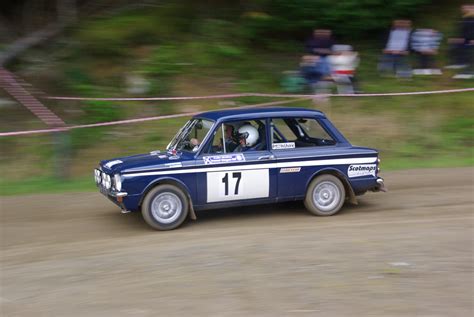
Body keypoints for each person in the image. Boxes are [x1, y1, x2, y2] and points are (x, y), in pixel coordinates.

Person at [447, 5, 474, 79]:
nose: (463, 9)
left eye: (466, 8)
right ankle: (459, 63)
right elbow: (463, 30)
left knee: (469, 52)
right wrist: (458, 38)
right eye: (462, 8)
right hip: (465, 39)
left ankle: (469, 70)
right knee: (453, 44)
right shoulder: (465, 18)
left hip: (471, 40)